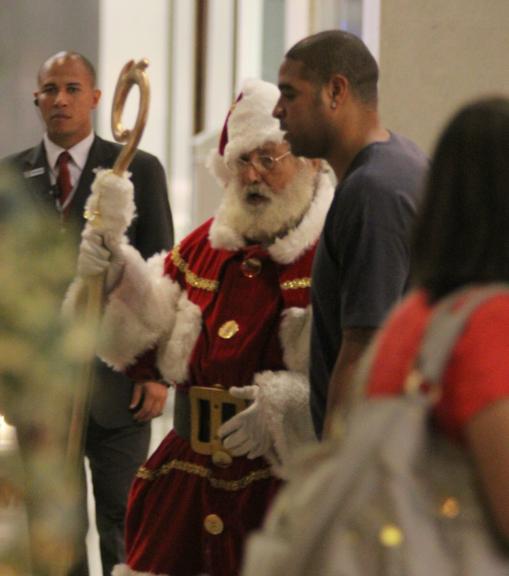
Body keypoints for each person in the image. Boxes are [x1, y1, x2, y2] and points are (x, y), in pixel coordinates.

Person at [69, 78, 333, 576]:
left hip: (283, 487)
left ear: (309, 161)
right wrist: (112, 273)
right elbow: (143, 342)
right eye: (240, 162)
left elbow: (360, 370)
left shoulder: (333, 252)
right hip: (189, 480)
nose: (252, 175)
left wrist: (289, 409)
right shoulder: (202, 248)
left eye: (268, 159)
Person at [1, 51, 174, 576]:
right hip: (43, 389)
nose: (61, 99)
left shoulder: (137, 168)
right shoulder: (9, 178)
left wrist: (158, 372)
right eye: (50, 89)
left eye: (73, 88)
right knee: (54, 527)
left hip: (119, 385)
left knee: (125, 518)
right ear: (37, 101)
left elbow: (162, 273)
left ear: (97, 98)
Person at [272, 30, 428, 438]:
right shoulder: (396, 161)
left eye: (290, 94)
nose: (277, 110)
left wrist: (333, 473)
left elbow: (364, 350)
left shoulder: (373, 189)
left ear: (335, 91)